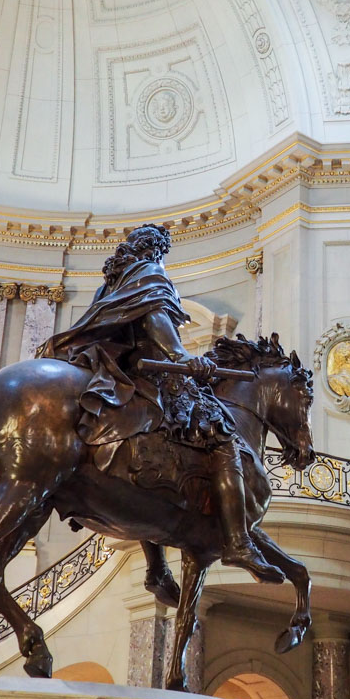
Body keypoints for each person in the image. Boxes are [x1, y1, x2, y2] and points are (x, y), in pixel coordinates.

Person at [37, 224, 283, 584]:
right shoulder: (151, 274)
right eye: (161, 253)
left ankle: (157, 567)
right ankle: (237, 542)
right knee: (222, 435)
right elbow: (159, 326)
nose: (161, 259)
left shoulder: (113, 283)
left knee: (151, 474)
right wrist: (187, 359)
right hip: (151, 380)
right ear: (156, 250)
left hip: (115, 374)